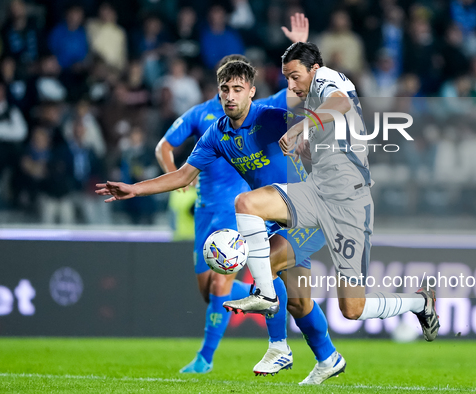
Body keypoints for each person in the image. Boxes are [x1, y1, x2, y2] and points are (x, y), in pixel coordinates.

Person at [98, 57, 343, 385]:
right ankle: (328, 357)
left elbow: (329, 110)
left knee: (263, 262)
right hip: (276, 219)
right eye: (225, 89)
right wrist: (134, 189)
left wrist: (303, 132)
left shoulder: (268, 118)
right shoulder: (217, 133)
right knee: (299, 302)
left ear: (251, 92)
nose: (230, 95)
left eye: (237, 89)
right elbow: (183, 175)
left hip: (308, 210)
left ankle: (279, 346)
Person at [222, 42, 439, 346]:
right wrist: (312, 149)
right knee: (247, 203)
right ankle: (265, 292)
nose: (291, 84)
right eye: (286, 78)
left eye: (295, 76)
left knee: (352, 308)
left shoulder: (327, 79)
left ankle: (420, 302)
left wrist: (299, 130)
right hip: (315, 191)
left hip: (348, 202)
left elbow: (340, 103)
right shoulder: (311, 98)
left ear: (313, 69)